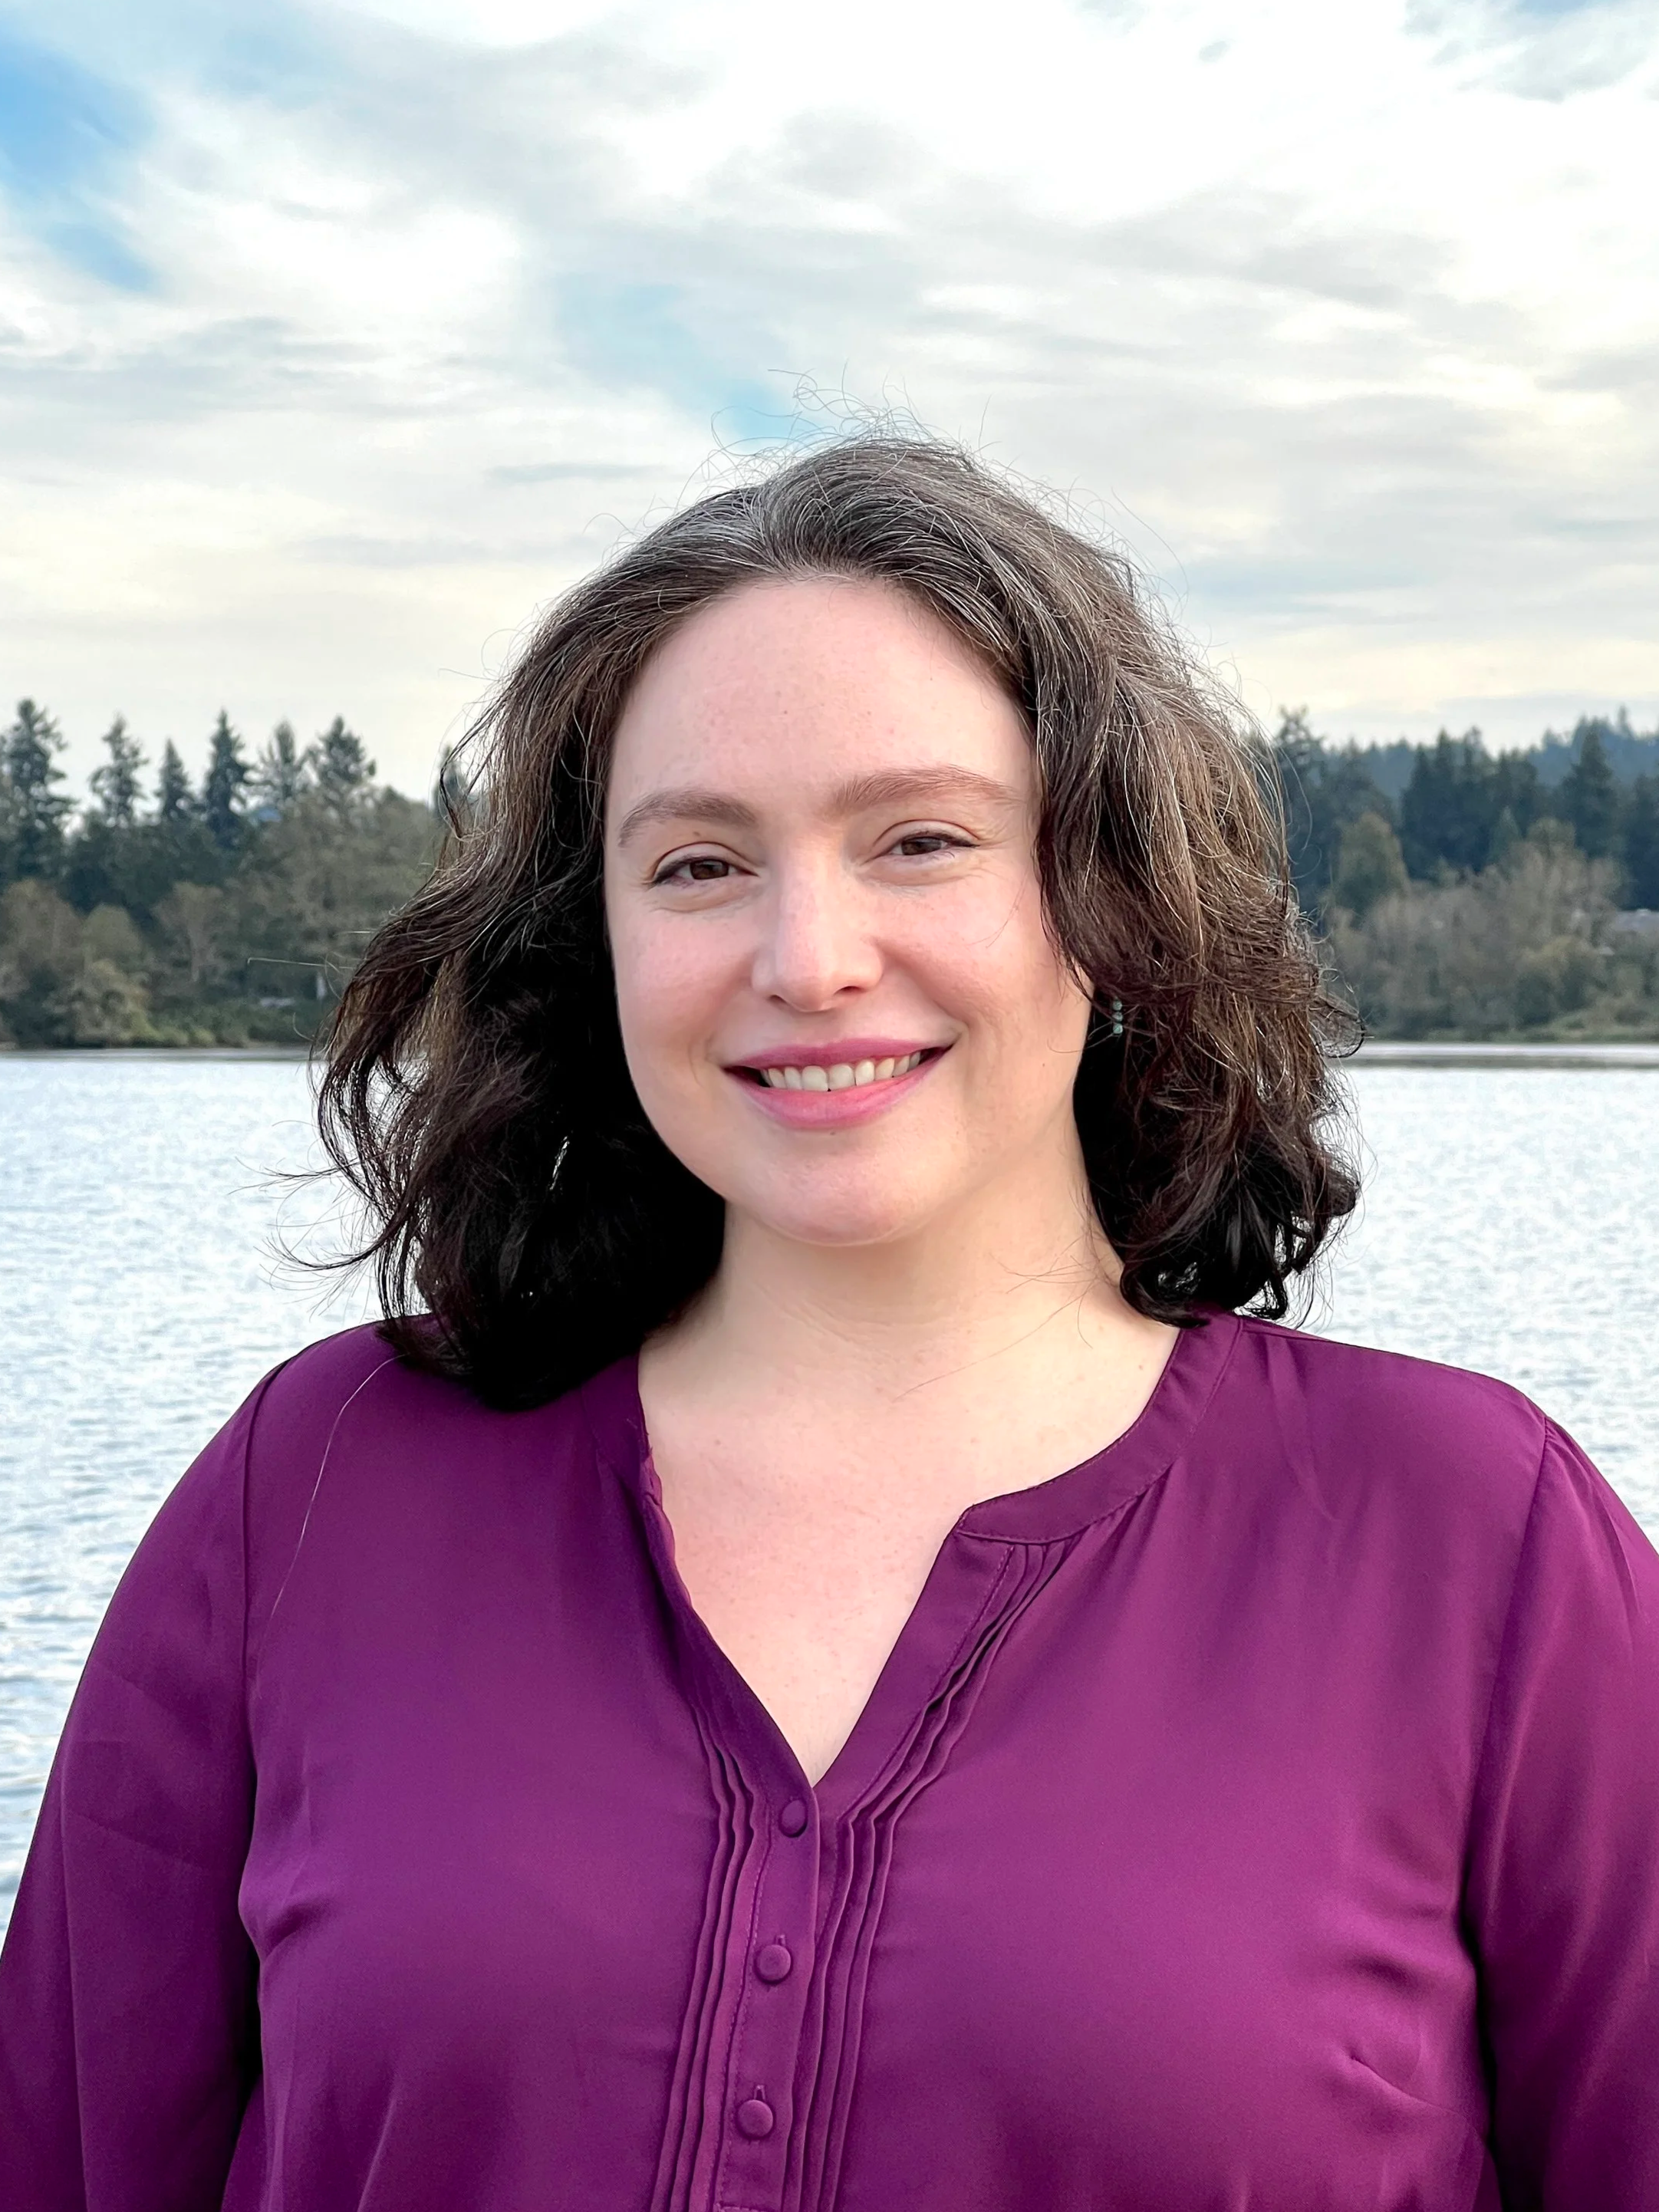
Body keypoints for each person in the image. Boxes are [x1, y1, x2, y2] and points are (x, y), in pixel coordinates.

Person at [2, 437, 1656, 2212]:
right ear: (595, 938)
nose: (808, 955)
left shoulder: (1471, 1538)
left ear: (1106, 895)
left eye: (921, 838)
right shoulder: (310, 1493)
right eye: (699, 864)